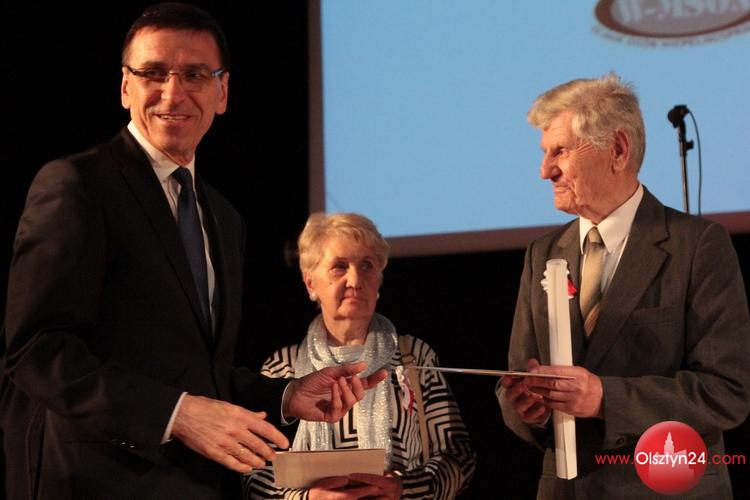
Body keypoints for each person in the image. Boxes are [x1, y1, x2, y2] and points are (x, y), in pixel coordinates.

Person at [1, 3, 387, 499]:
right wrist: (175, 414)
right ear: (125, 87)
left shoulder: (223, 217)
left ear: (222, 92)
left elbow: (198, 371)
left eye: (195, 75)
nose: (173, 92)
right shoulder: (78, 185)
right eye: (153, 73)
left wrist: (287, 395)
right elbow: (36, 351)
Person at [496, 73, 750, 498]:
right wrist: (527, 408)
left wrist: (604, 398)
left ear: (617, 149)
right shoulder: (543, 252)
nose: (545, 171)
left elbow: (727, 392)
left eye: (560, 151)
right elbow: (518, 377)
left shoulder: (697, 246)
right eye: (544, 153)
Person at [243, 212, 476, 499]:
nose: (355, 280)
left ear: (379, 279)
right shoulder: (282, 368)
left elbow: (458, 456)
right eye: (339, 266)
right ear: (311, 283)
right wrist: (306, 498)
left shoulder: (414, 357)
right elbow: (254, 468)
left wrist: (404, 489)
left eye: (367, 265)